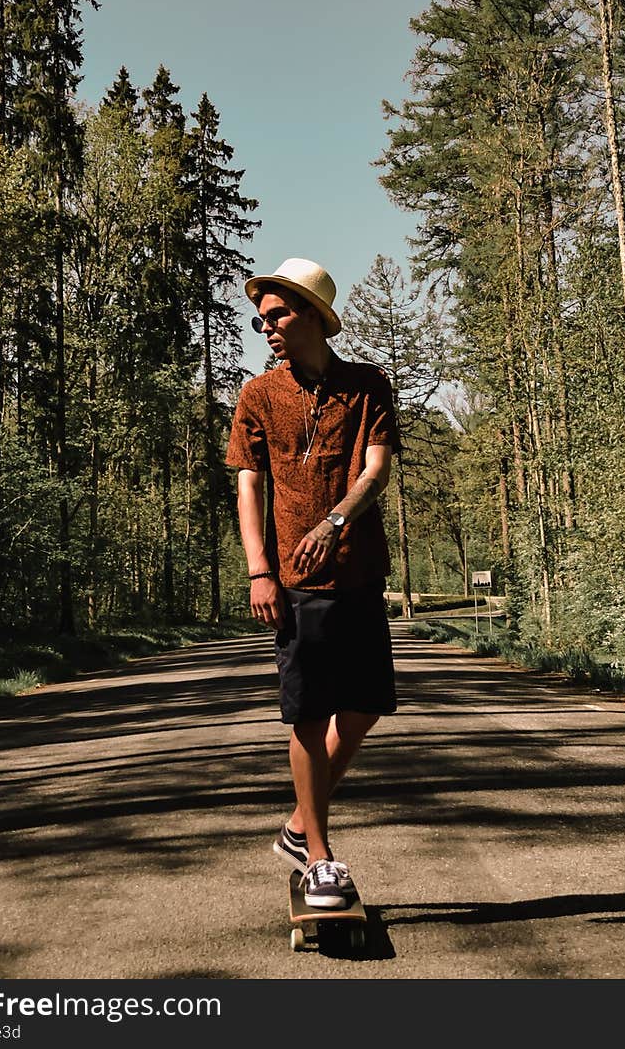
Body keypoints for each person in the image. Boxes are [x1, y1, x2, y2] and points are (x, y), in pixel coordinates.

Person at [225, 257, 400, 909]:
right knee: (308, 713)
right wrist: (259, 569)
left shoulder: (367, 386)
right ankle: (319, 856)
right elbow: (249, 486)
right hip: (297, 584)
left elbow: (376, 468)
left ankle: (300, 823)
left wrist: (336, 520)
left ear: (314, 317)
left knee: (367, 705)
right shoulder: (258, 396)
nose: (266, 326)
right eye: (260, 317)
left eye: (278, 315)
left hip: (360, 567)